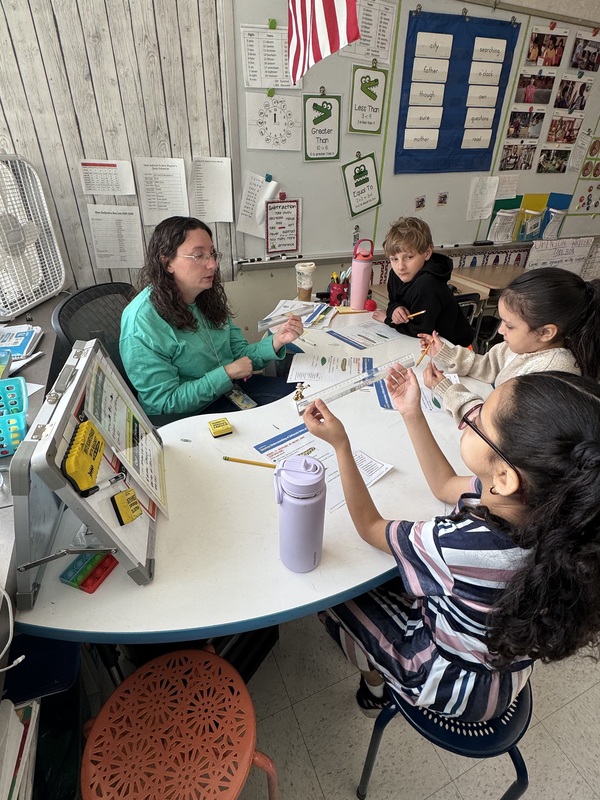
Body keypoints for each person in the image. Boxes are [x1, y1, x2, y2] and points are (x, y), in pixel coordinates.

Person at [303, 368, 600, 720]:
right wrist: (411, 412)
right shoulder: (556, 513)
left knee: (333, 596)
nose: (466, 421)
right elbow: (444, 485)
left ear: (505, 476)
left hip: (450, 685)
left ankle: (375, 687)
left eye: (478, 422)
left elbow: (369, 527)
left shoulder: (457, 545)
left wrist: (341, 446)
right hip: (505, 667)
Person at [119, 216, 303, 424]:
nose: (213, 265)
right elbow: (165, 401)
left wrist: (276, 341)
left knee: (308, 401)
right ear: (167, 262)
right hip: (189, 417)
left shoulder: (204, 295)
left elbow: (240, 356)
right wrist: (226, 373)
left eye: (212, 254)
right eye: (199, 256)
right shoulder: (142, 321)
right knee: (289, 422)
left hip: (229, 390)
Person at [418, 267, 600, 424]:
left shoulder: (551, 377)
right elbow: (490, 366)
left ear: (545, 332)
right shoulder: (525, 345)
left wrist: (447, 390)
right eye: (502, 321)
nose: (500, 330)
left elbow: (496, 425)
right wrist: (447, 354)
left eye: (509, 325)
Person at [372, 217, 474, 346]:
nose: (400, 266)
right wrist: (395, 309)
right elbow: (394, 301)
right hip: (429, 342)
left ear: (427, 253)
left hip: (455, 348)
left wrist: (388, 319)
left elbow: (420, 330)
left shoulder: (428, 284)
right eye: (394, 259)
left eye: (409, 257)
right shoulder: (396, 274)